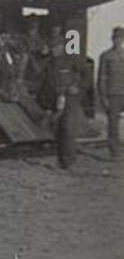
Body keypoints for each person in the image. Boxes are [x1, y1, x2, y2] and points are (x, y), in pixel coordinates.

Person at [42, 34, 89, 169]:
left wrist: (78, 88)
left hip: (69, 99)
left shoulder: (71, 60)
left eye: (57, 46)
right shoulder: (49, 63)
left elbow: (87, 74)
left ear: (62, 47)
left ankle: (69, 161)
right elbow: (45, 85)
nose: (54, 49)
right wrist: (47, 106)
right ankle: (60, 159)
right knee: (57, 130)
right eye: (52, 47)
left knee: (68, 129)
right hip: (54, 100)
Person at [98, 26, 124, 160]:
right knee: (113, 124)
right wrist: (103, 98)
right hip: (112, 94)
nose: (118, 41)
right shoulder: (106, 56)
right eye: (115, 38)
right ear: (112, 39)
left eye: (120, 38)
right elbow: (101, 78)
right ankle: (115, 152)